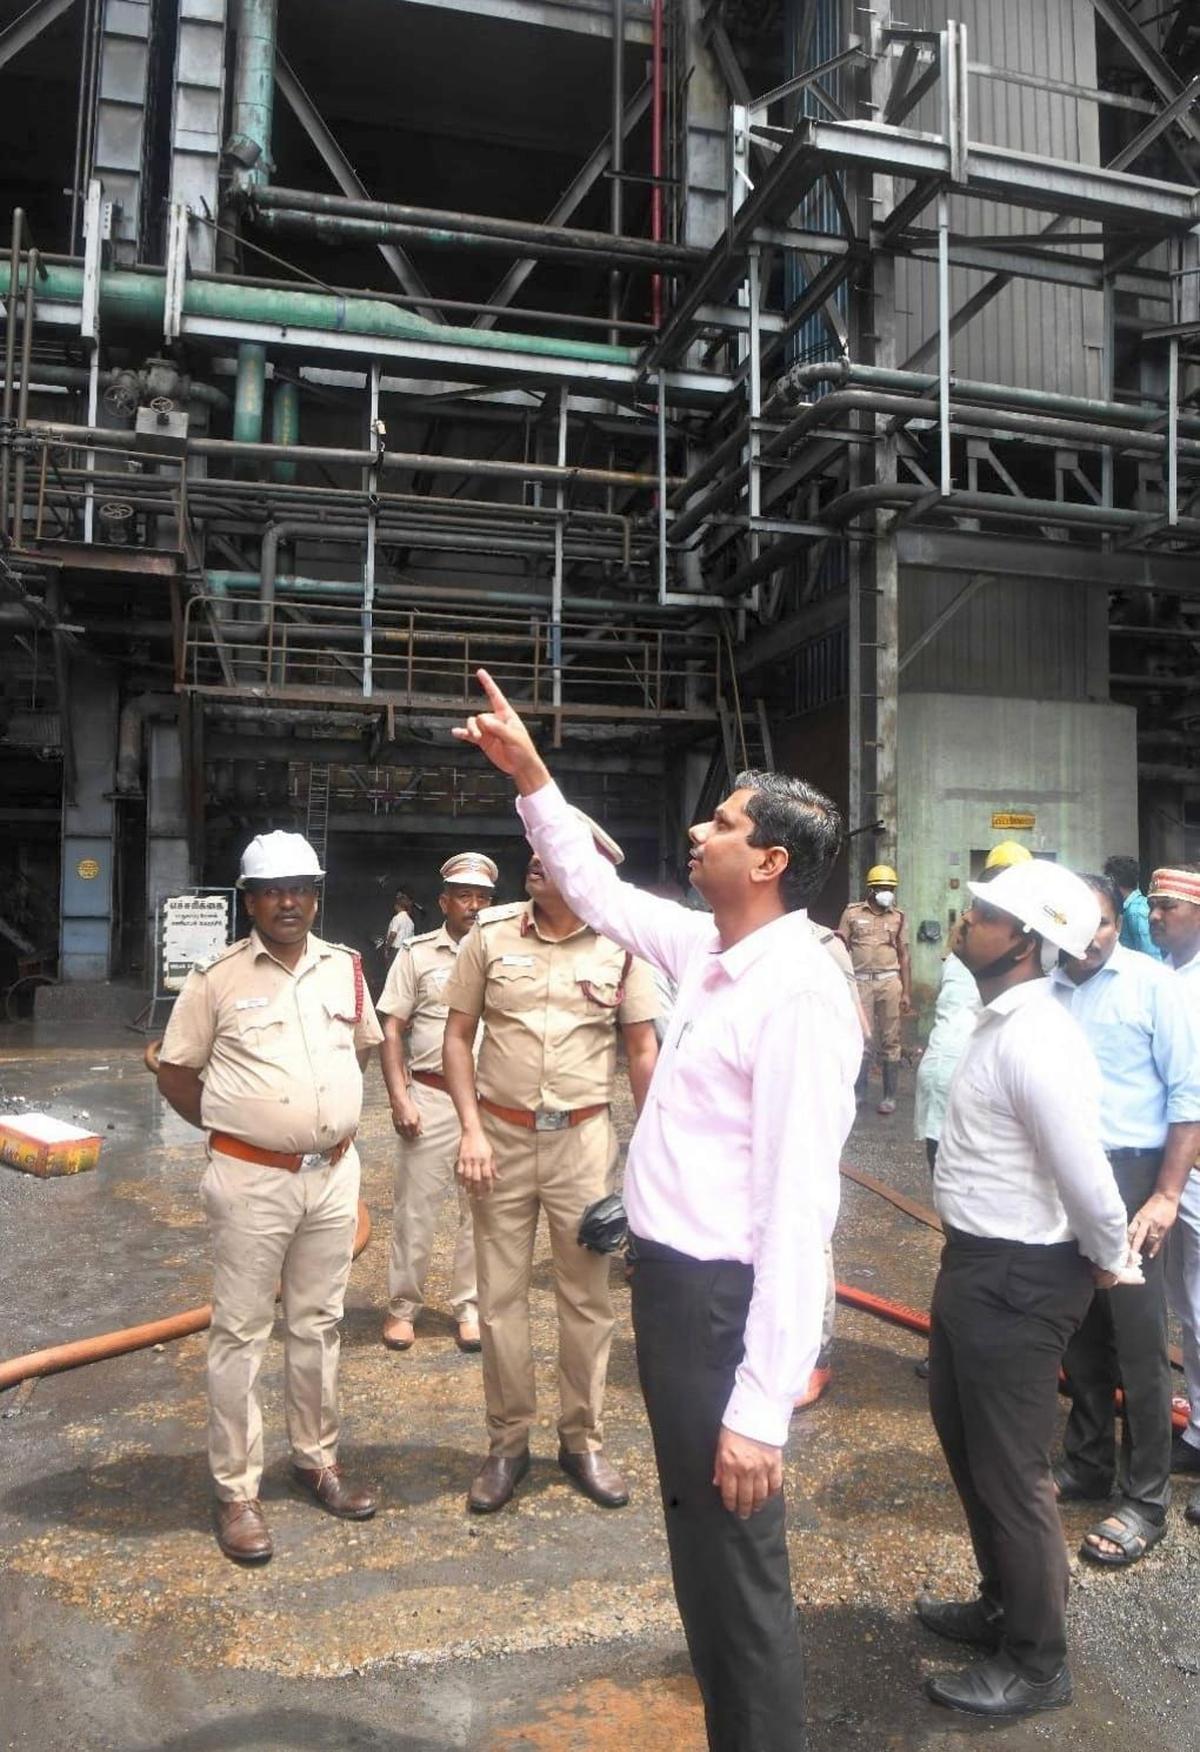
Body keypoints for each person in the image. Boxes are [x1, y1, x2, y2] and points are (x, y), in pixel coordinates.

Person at [453, 668, 860, 1752]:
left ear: (770, 862)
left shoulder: (799, 996)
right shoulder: (716, 955)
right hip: (677, 1293)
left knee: (737, 1554)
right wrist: (533, 775)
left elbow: (796, 1213)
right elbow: (597, 895)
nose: (699, 828)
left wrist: (762, 1405)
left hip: (726, 1310)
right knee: (700, 1547)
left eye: (723, 823)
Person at [918, 859, 1130, 1720]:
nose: (966, 921)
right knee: (968, 1449)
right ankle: (1003, 1603)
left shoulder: (1040, 1039)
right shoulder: (994, 1020)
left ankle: (1039, 1662)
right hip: (973, 1266)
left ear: (1028, 943)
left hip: (1021, 1276)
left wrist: (1111, 1259)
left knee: (1012, 1475)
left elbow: (1088, 1177)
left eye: (986, 914)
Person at [156, 831, 383, 1564]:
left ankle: (317, 1459)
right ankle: (236, 1491)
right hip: (251, 1179)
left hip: (334, 1174)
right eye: (273, 889)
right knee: (242, 1332)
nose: (289, 901)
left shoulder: (346, 968)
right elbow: (178, 1075)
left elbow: (363, 1052)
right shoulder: (216, 979)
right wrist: (245, 1132)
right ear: (249, 900)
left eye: (303, 887)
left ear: (317, 895)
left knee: (319, 1322)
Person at [442, 835, 660, 1515]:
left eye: (554, 854)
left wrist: (650, 1155)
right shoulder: (490, 936)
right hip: (499, 1139)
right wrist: (471, 1129)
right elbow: (456, 1036)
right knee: (500, 1301)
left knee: (587, 1301)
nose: (536, 861)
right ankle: (507, 1444)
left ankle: (582, 1441)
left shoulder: (622, 943)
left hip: (583, 1145)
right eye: (534, 852)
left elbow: (641, 1050)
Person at [1050, 873, 1200, 1566]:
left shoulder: (1152, 984)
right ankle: (1086, 1466)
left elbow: (1188, 1094)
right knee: (1080, 1332)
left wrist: (1166, 1193)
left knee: (1139, 1344)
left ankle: (1145, 1500)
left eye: (1104, 922)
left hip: (1135, 1174)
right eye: (1078, 922)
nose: (1091, 936)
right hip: (1066, 1176)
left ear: (1119, 921)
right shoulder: (1045, 990)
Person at [377, 851, 498, 1355]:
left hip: (490, 1102)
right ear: (444, 901)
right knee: (416, 1211)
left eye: (483, 897)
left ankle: (468, 1307)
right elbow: (391, 1027)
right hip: (431, 1097)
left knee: (482, 1211)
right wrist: (400, 1097)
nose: (473, 905)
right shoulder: (417, 954)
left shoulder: (504, 952)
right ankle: (404, 1308)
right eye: (465, 896)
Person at [1148, 864, 1200, 1514]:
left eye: (1171, 909)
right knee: (1187, 1306)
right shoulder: (1164, 980)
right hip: (1176, 1167)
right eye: (1155, 907)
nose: (1157, 917)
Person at [838, 863, 913, 1114]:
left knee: (891, 1039)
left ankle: (889, 1096)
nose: (887, 892)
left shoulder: (898, 917)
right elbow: (840, 949)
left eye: (891, 888)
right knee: (862, 1038)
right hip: (861, 982)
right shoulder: (851, 913)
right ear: (871, 890)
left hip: (889, 982)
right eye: (883, 888)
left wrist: (906, 992)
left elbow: (904, 955)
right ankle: (858, 1094)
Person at [1104, 855, 1162, 960]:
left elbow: (1150, 956)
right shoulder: (1129, 907)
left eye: (1106, 880)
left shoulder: (1135, 911)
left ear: (1112, 879)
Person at [384, 889, 416, 960]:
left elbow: (393, 934)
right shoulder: (410, 921)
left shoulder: (397, 918)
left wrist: (387, 948)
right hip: (406, 950)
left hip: (395, 950)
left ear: (397, 906)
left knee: (392, 970)